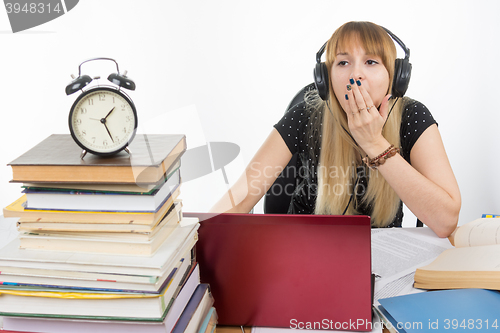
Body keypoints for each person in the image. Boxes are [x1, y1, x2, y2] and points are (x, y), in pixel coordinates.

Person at [211, 21, 461, 238]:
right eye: (343, 62)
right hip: (303, 256)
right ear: (325, 77)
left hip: (380, 267)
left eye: (371, 61)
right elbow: (239, 198)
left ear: (395, 77)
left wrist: (375, 143)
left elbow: (445, 222)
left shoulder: (412, 116)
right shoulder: (305, 115)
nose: (356, 74)